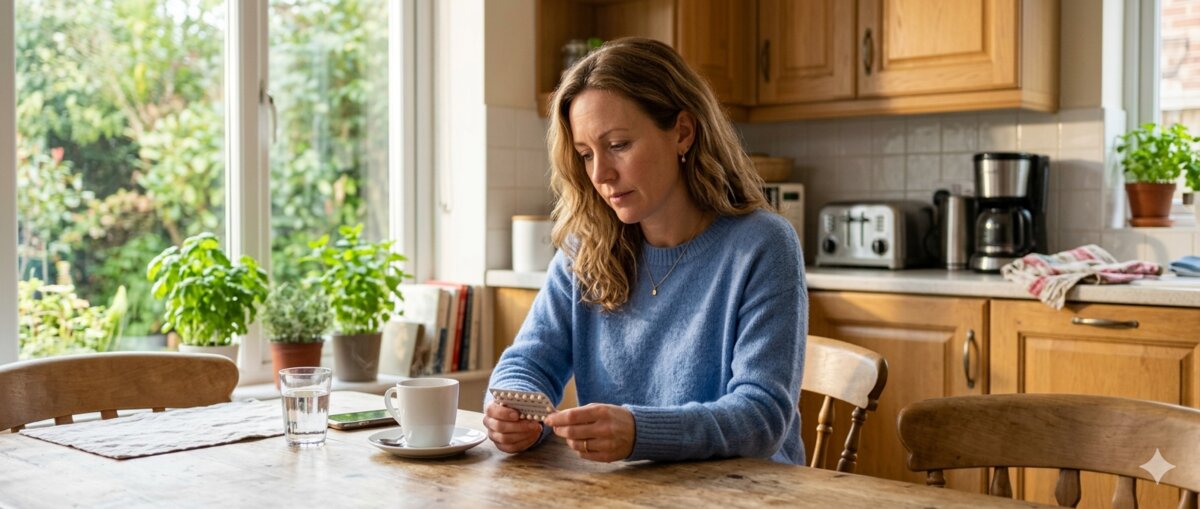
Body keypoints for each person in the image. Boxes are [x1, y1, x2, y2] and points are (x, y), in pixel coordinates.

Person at [484, 37, 807, 465]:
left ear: (683, 133)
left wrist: (639, 432)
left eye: (618, 145)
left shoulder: (763, 245)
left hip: (747, 494)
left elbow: (760, 417)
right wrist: (511, 413)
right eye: (585, 154)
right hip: (627, 491)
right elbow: (526, 361)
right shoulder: (587, 248)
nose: (601, 174)